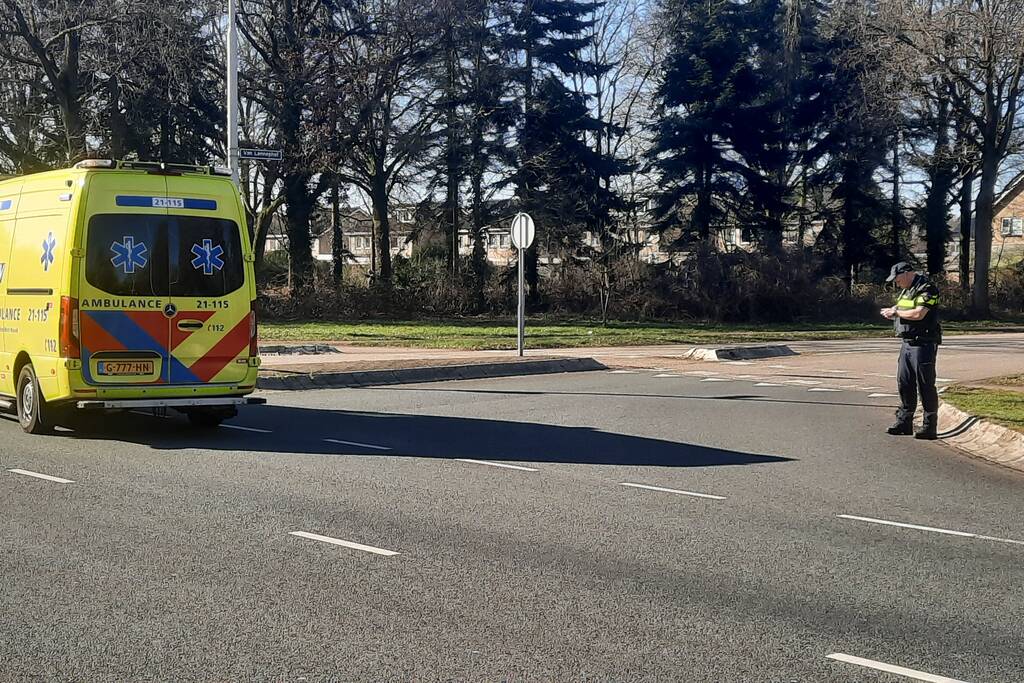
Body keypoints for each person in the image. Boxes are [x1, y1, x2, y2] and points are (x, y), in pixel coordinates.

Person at [880, 262, 942, 440]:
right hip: (907, 343)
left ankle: (929, 427)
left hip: (923, 343)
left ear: (907, 273)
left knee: (925, 385)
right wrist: (893, 310)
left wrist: (896, 314)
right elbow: (903, 308)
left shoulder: (927, 289)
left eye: (897, 279)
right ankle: (904, 422)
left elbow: (918, 314)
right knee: (904, 383)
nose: (896, 283)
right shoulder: (906, 290)